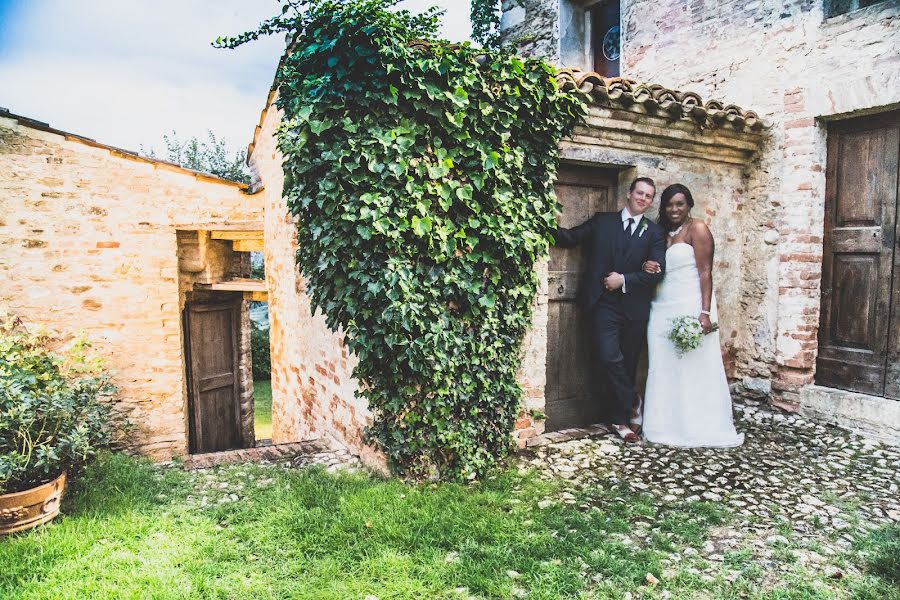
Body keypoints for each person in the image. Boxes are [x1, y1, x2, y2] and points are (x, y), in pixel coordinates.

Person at [553, 177, 667, 442]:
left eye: (649, 196)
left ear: (651, 202)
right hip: (603, 304)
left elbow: (656, 274)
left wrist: (625, 279)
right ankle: (632, 398)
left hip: (634, 308)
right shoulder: (603, 222)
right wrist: (537, 223)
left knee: (627, 363)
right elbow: (571, 237)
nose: (643, 198)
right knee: (608, 356)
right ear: (629, 194)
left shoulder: (654, 233)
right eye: (639, 192)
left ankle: (620, 421)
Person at [640, 183, 744, 448]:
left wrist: (705, 312)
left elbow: (705, 272)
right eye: (669, 205)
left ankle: (697, 424)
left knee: (693, 366)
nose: (674, 209)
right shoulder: (660, 232)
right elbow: (653, 264)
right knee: (662, 365)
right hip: (662, 305)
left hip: (690, 303)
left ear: (689, 206)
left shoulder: (697, 229)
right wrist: (646, 265)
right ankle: (663, 424)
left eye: (680, 204)